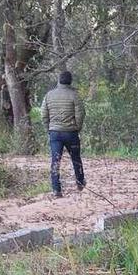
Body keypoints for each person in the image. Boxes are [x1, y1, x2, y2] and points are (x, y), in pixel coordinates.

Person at [41, 70, 86, 198]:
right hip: (71, 133)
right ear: (70, 81)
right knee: (76, 158)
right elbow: (81, 114)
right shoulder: (74, 95)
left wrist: (49, 129)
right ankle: (80, 183)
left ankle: (56, 189)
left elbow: (43, 115)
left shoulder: (49, 95)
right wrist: (77, 127)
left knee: (55, 161)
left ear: (59, 80)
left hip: (55, 133)